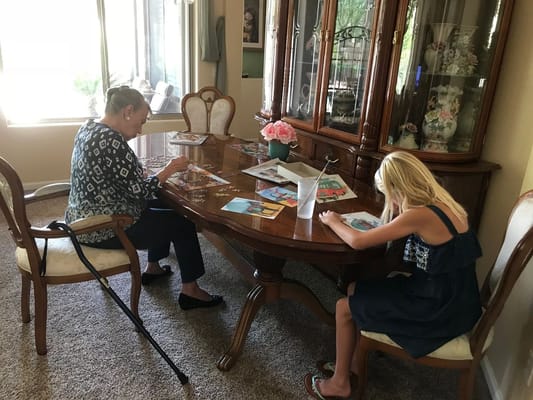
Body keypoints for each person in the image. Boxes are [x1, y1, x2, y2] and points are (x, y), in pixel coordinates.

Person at [304, 151, 483, 399]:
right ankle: (353, 365)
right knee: (355, 287)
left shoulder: (419, 215)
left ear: (400, 187)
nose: (393, 203)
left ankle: (339, 384)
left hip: (436, 309)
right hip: (456, 300)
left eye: (390, 194)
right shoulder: (446, 204)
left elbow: (358, 241)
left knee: (343, 307)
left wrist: (333, 220)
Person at [65, 85, 224, 311]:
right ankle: (191, 291)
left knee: (163, 202)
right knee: (183, 221)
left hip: (83, 216)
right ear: (127, 111)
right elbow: (142, 191)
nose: (140, 130)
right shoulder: (111, 141)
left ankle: (153, 267)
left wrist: (143, 175)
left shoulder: (89, 128)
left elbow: (116, 176)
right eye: (140, 121)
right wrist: (169, 169)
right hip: (103, 227)